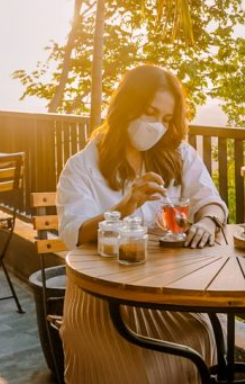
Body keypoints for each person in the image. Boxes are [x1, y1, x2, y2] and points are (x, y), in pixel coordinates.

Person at [56, 65, 228, 384]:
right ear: (126, 107)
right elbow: (74, 235)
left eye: (165, 119)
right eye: (150, 113)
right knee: (139, 363)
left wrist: (207, 222)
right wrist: (126, 206)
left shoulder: (177, 155)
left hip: (167, 289)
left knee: (203, 330)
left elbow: (211, 201)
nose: (157, 127)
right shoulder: (81, 167)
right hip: (103, 296)